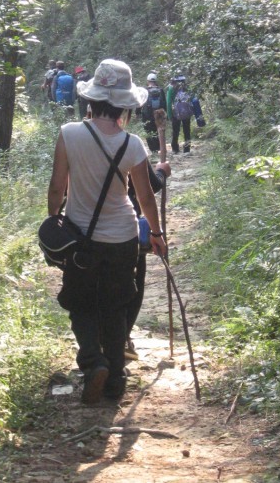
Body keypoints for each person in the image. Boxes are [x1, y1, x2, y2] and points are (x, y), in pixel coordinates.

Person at [47, 59, 167, 404]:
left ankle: (92, 361)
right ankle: (115, 380)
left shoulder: (69, 134)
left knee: (80, 303)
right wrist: (156, 235)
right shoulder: (132, 144)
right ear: (124, 105)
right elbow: (145, 197)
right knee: (116, 305)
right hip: (123, 238)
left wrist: (55, 220)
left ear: (92, 99)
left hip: (81, 238)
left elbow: (57, 188)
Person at [125, 159, 171, 359]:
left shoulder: (73, 140)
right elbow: (148, 188)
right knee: (132, 286)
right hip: (125, 229)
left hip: (83, 230)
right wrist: (162, 171)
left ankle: (93, 347)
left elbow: (60, 190)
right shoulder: (129, 144)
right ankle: (121, 339)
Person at [166, 74, 194, 154]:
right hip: (186, 112)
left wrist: (169, 115)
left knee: (175, 131)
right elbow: (192, 99)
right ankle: (187, 150)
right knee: (187, 131)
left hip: (176, 113)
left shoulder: (171, 88)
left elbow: (169, 102)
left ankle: (175, 149)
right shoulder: (187, 87)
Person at [140, 72, 167, 153]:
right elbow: (164, 103)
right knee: (159, 130)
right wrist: (165, 115)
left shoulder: (145, 90)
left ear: (148, 81)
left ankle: (153, 149)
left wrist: (138, 113)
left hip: (147, 115)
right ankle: (159, 148)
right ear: (156, 81)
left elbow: (140, 103)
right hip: (159, 114)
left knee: (148, 131)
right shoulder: (161, 90)